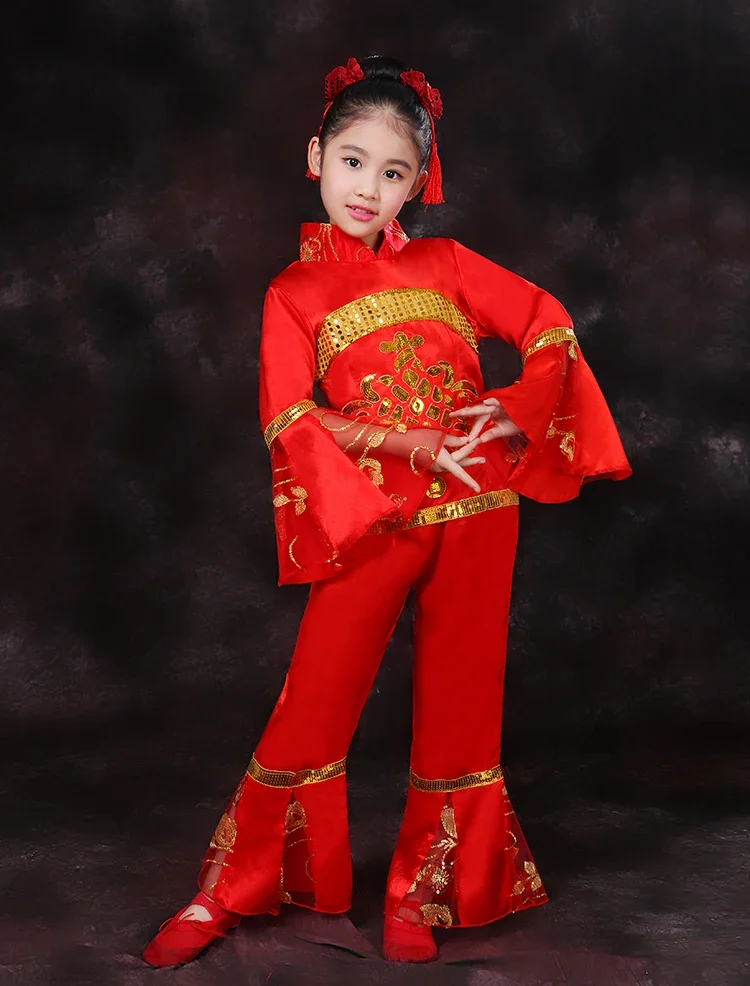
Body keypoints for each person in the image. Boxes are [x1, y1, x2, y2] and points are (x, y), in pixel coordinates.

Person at [142, 53, 631, 968]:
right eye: (354, 161)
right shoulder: (292, 294)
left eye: (394, 171)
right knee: (313, 702)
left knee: (462, 702)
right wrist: (407, 445)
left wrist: (518, 406)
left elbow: (548, 321)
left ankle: (426, 894)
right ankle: (228, 891)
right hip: (377, 517)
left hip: (481, 504)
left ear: (418, 183)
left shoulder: (446, 264)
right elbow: (290, 417)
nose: (368, 188)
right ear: (317, 155)